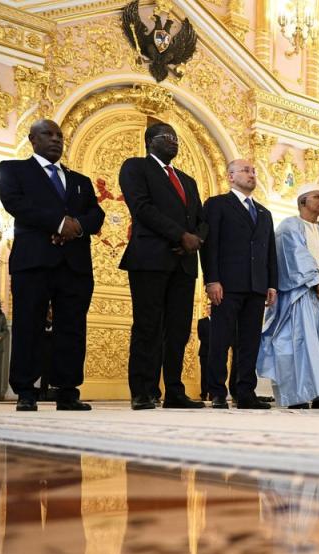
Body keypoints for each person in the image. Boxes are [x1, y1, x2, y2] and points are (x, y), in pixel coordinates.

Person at [0, 119, 104, 412]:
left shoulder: (80, 181)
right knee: (28, 325)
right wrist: (58, 223)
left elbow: (97, 214)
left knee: (72, 328)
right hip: (33, 261)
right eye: (48, 134)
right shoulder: (13, 170)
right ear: (32, 139)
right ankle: (26, 391)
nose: (56, 139)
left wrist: (76, 226)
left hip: (75, 265)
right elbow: (15, 203)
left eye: (59, 135)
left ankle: (67, 391)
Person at [119, 122, 207, 410]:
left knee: (178, 330)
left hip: (183, 262)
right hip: (150, 258)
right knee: (148, 327)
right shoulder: (135, 167)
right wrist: (179, 235)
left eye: (175, 138)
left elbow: (201, 220)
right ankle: (143, 391)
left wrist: (194, 239)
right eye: (165, 137)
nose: (173, 142)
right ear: (149, 141)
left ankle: (174, 391)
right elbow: (142, 207)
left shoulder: (188, 181)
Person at [257, 186, 319, 409]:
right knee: (298, 346)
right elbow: (295, 257)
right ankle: (296, 396)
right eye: (317, 197)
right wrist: (318, 284)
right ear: (302, 202)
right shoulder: (289, 227)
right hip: (301, 296)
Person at [201, 160, 277, 410]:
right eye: (245, 170)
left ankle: (245, 392)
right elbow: (210, 245)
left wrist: (271, 284)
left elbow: (270, 252)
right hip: (227, 284)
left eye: (254, 171)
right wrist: (212, 279)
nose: (252, 174)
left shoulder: (264, 213)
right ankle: (217, 391)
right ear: (230, 176)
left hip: (256, 287)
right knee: (220, 340)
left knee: (249, 342)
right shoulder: (217, 204)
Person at [196, 305, 211, 401]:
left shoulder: (219, 322)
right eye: (208, 308)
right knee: (204, 373)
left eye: (212, 308)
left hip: (216, 353)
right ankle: (204, 394)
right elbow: (201, 336)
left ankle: (214, 393)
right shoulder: (201, 322)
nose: (210, 310)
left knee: (214, 373)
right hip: (205, 351)